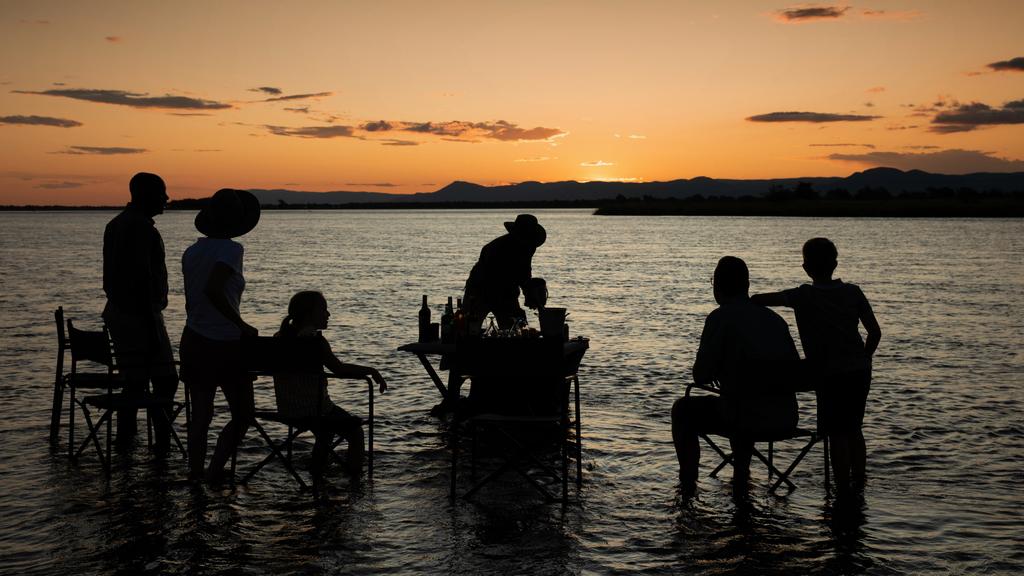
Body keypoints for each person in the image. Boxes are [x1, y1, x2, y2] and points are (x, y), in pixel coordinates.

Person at [751, 238, 881, 494]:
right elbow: (874, 333)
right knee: (854, 428)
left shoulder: (802, 295)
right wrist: (865, 358)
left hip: (827, 373)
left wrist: (751, 298)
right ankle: (859, 483)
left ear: (805, 267)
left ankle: (842, 488)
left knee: (836, 434)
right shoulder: (853, 292)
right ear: (835, 264)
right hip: (859, 372)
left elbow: (765, 299)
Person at [672, 256, 800, 495]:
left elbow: (700, 375)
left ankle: (687, 487)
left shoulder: (720, 318)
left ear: (717, 286)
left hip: (744, 417)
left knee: (683, 410)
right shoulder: (775, 319)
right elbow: (794, 370)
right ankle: (741, 476)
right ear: (747, 285)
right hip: (785, 418)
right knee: (741, 399)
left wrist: (722, 370)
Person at [179, 188, 261, 484]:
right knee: (243, 416)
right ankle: (214, 472)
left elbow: (193, 299)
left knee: (201, 416)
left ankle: (196, 475)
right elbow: (213, 290)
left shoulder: (192, 252)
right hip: (224, 345)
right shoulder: (231, 250)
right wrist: (240, 325)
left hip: (193, 339)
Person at [102, 172, 178, 451]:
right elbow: (141, 279)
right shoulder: (140, 228)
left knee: (135, 381)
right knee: (166, 380)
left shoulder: (117, 224)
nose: (166, 199)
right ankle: (161, 444)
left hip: (121, 311)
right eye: (162, 193)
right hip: (138, 314)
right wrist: (151, 326)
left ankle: (127, 440)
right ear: (145, 195)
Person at [274, 291, 387, 478]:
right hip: (317, 410)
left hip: (287, 410)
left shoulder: (278, 338)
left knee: (325, 432)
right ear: (310, 314)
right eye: (324, 310)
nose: (328, 315)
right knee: (356, 432)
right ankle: (355, 481)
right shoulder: (314, 341)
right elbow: (339, 369)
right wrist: (371, 370)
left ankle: (317, 474)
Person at [463, 214, 549, 331]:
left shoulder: (528, 247)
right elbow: (499, 278)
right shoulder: (496, 249)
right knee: (469, 327)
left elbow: (524, 273)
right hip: (479, 289)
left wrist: (531, 293)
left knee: (514, 328)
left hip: (505, 291)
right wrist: (526, 293)